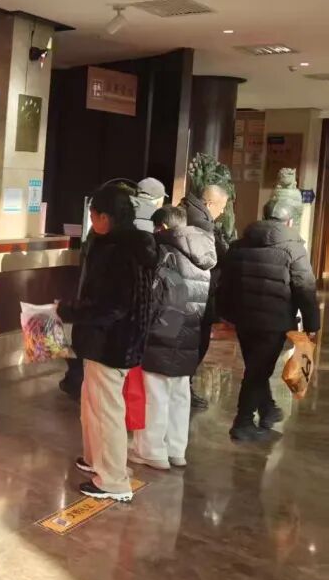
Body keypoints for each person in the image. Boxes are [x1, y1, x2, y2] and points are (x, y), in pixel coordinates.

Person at [58, 184, 157, 501]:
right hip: (113, 340)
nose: (91, 220)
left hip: (111, 343)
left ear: (105, 217)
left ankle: (113, 480)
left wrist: (68, 311)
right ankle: (95, 459)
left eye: (93, 215)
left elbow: (111, 306)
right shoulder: (130, 245)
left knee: (106, 412)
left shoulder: (117, 251)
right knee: (93, 406)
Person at [217, 199, 320, 442]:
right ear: (289, 221)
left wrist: (225, 313)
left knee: (256, 366)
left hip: (244, 320)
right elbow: (305, 288)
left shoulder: (239, 246)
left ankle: (268, 410)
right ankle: (242, 423)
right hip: (274, 322)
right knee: (258, 371)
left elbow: (225, 283)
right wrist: (312, 325)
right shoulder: (294, 249)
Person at [131, 205, 216, 470]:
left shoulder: (164, 252)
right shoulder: (203, 253)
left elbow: (151, 295)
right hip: (191, 330)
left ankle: (152, 451)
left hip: (162, 330)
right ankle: (177, 450)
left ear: (163, 227)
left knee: (155, 392)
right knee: (180, 393)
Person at [181, 182, 231, 409]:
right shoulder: (201, 224)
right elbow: (215, 256)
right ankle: (185, 388)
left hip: (193, 290)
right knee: (195, 343)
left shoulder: (190, 213)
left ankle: (185, 386)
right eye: (222, 206)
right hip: (196, 292)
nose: (223, 211)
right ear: (210, 203)